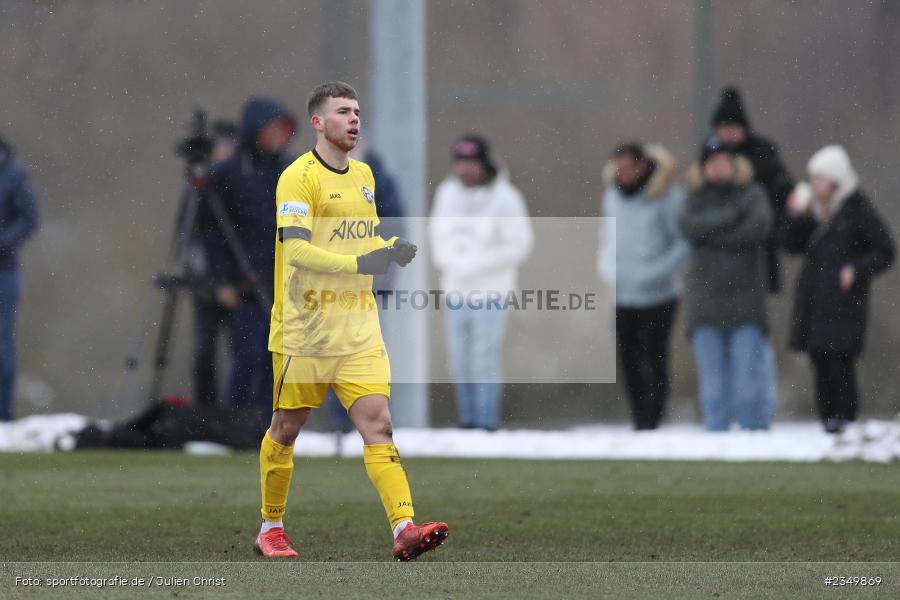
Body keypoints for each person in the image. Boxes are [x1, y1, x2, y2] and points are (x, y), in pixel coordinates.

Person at [256, 81, 448, 561]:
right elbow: (297, 250)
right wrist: (361, 263)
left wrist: (388, 249)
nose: (354, 119)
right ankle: (271, 528)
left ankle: (404, 528)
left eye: (358, 112)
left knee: (379, 425)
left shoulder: (364, 174)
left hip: (358, 328)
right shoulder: (297, 177)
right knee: (286, 428)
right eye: (343, 112)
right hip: (305, 328)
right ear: (318, 122)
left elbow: (357, 242)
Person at [782, 145, 894, 433]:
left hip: (845, 302)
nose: (815, 184)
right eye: (813, 178)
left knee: (839, 361)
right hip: (815, 299)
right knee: (819, 358)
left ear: (836, 180)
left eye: (821, 178)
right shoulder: (814, 210)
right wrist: (796, 215)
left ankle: (846, 421)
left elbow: (885, 250)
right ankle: (828, 422)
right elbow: (791, 245)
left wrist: (856, 269)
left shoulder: (857, 209)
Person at [200, 98, 296, 423]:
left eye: (283, 130)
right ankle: (236, 422)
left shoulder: (293, 171)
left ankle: (269, 425)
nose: (279, 136)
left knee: (278, 358)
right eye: (273, 129)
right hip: (244, 285)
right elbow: (212, 234)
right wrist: (222, 281)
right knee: (249, 353)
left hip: (284, 282)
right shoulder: (228, 174)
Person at [429, 135, 533, 431]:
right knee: (459, 359)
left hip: (491, 291)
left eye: (471, 163)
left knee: (484, 356)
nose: (465, 169)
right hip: (456, 289)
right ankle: (468, 421)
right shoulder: (446, 194)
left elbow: (520, 243)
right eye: (460, 162)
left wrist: (481, 261)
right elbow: (437, 236)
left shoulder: (505, 198)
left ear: (484, 164)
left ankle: (487, 422)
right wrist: (454, 262)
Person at [712, 86, 794, 424]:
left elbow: (784, 199)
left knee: (758, 343)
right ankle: (733, 412)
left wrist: (769, 233)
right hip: (720, 273)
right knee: (725, 346)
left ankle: (762, 409)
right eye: (722, 128)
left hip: (760, 265)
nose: (727, 134)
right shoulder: (711, 158)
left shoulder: (764, 156)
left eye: (732, 127)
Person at [679, 138, 772, 431]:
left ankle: (753, 441)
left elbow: (757, 228)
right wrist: (732, 216)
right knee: (713, 389)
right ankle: (716, 443)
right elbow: (688, 227)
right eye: (712, 164)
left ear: (734, 165)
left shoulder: (753, 195)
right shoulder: (693, 199)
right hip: (705, 306)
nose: (718, 169)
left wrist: (711, 236)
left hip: (747, 305)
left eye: (724, 163)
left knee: (747, 386)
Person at [598, 143, 688, 430]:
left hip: (659, 294)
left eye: (627, 167)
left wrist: (655, 273)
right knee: (627, 359)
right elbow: (607, 239)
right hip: (623, 294)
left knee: (655, 357)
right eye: (617, 168)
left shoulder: (668, 197)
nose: (622, 174)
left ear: (642, 166)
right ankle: (638, 419)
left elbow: (683, 243)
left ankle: (654, 420)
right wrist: (607, 269)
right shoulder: (611, 197)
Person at [189, 120, 237, 407]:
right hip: (205, 284)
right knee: (203, 351)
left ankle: (234, 412)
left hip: (238, 283)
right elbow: (189, 236)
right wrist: (210, 282)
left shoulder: (239, 185)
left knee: (243, 352)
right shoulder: (200, 187)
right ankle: (205, 412)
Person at [0, 136, 38, 421]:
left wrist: (3, 243)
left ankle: (3, 416)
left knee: (2, 345)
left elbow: (29, 219)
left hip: (4, 271)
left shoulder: (14, 175)